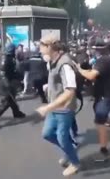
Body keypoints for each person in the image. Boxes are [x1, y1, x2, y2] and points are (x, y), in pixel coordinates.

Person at [36, 34, 80, 177]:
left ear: (49, 47)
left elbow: (70, 91)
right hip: (54, 106)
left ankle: (75, 163)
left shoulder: (65, 64)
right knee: (47, 134)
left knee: (62, 137)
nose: (39, 49)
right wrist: (48, 87)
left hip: (64, 108)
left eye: (42, 46)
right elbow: (56, 80)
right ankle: (70, 149)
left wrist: (48, 107)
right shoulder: (52, 61)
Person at [77, 37, 110, 161]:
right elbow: (99, 74)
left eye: (94, 48)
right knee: (98, 111)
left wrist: (80, 70)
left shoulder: (103, 61)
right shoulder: (108, 60)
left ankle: (104, 150)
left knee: (99, 121)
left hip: (105, 96)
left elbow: (91, 76)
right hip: (106, 94)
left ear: (97, 50)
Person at [0, 43, 26, 129]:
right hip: (4, 84)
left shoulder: (10, 57)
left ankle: (16, 113)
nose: (16, 50)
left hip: (8, 82)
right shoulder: (5, 59)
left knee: (12, 99)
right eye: (15, 49)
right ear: (12, 50)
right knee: (6, 102)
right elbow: (3, 74)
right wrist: (7, 85)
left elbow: (11, 71)